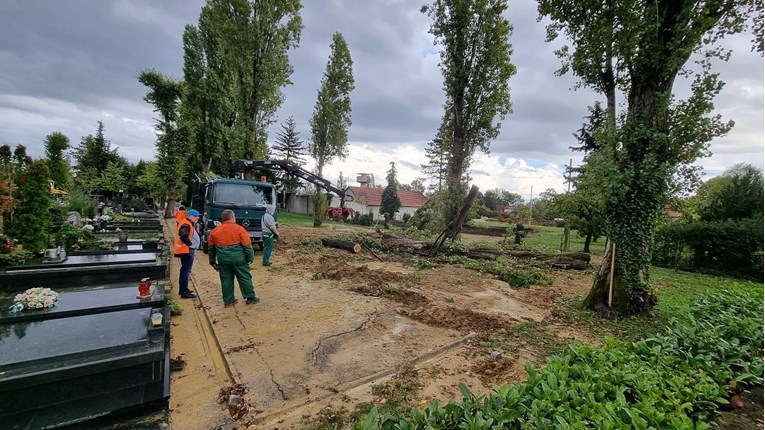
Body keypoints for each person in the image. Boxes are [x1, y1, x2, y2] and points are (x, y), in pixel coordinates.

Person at [208, 209, 260, 306]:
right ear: (232, 217)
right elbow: (247, 246)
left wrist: (212, 261)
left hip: (223, 261)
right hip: (239, 260)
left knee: (226, 280)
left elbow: (211, 248)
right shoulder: (239, 229)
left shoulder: (214, 232)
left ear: (223, 219)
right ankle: (250, 297)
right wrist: (250, 258)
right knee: (244, 277)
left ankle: (228, 301)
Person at [173, 208, 200, 299]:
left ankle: (183, 290)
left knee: (184, 271)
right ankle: (185, 292)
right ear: (189, 216)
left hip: (185, 250)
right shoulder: (186, 224)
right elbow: (183, 235)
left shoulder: (186, 222)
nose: (197, 218)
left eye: (197, 216)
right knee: (186, 271)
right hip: (186, 251)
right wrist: (190, 243)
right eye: (195, 216)